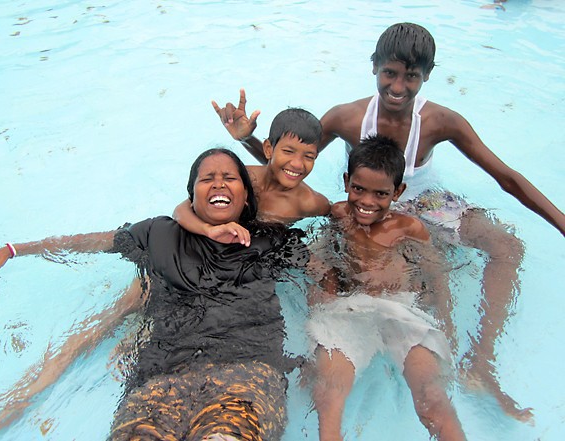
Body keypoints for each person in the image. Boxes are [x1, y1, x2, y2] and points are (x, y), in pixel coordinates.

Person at [211, 23, 564, 417]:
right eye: (389, 73)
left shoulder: (441, 121)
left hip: (424, 203)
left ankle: (479, 364)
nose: (398, 86)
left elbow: (506, 178)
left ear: (427, 75)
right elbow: (290, 166)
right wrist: (246, 139)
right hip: (365, 204)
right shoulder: (348, 117)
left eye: (411, 76)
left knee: (506, 246)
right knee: (334, 269)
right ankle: (326, 352)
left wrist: (562, 222)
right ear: (374, 67)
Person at [0, 148, 309, 441]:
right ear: (191, 197)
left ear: (246, 196)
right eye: (207, 178)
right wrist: (15, 249)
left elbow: (327, 270)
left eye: (229, 177)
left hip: (247, 372)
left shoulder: (270, 239)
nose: (218, 183)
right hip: (162, 376)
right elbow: (90, 242)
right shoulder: (160, 233)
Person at [306, 135, 466, 441]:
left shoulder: (409, 228)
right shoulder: (338, 216)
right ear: (346, 182)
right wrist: (315, 322)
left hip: (399, 307)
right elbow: (321, 263)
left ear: (398, 191)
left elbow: (436, 276)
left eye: (381, 194)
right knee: (327, 395)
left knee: (431, 396)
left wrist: (446, 324)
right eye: (358, 189)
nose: (367, 202)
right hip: (348, 308)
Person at [174, 106, 330, 245]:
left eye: (309, 156)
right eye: (288, 151)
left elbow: (328, 231)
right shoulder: (240, 178)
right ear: (268, 149)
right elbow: (181, 211)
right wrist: (208, 230)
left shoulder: (311, 203)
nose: (297, 164)